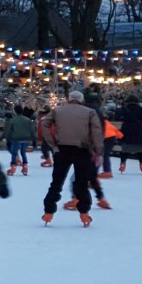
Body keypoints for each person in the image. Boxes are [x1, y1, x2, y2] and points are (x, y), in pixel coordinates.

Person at [39, 90, 103, 227]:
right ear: (82, 100)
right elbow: (97, 131)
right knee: (81, 183)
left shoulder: (57, 110)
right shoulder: (90, 112)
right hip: (82, 150)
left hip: (62, 149)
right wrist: (99, 151)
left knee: (56, 182)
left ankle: (48, 212)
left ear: (68, 100)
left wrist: (52, 143)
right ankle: (84, 213)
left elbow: (44, 124)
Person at [114, 95, 142, 174]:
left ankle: (123, 163)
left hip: (127, 131)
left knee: (125, 149)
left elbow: (117, 116)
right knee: (140, 150)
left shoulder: (124, 109)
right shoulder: (141, 109)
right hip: (139, 132)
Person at [2, 108, 35, 176]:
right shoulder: (27, 120)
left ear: (15, 111)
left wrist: (8, 140)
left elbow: (8, 131)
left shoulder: (12, 120)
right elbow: (32, 130)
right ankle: (25, 167)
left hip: (16, 139)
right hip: (26, 139)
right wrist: (34, 139)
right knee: (23, 153)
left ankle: (13, 168)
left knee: (14, 153)